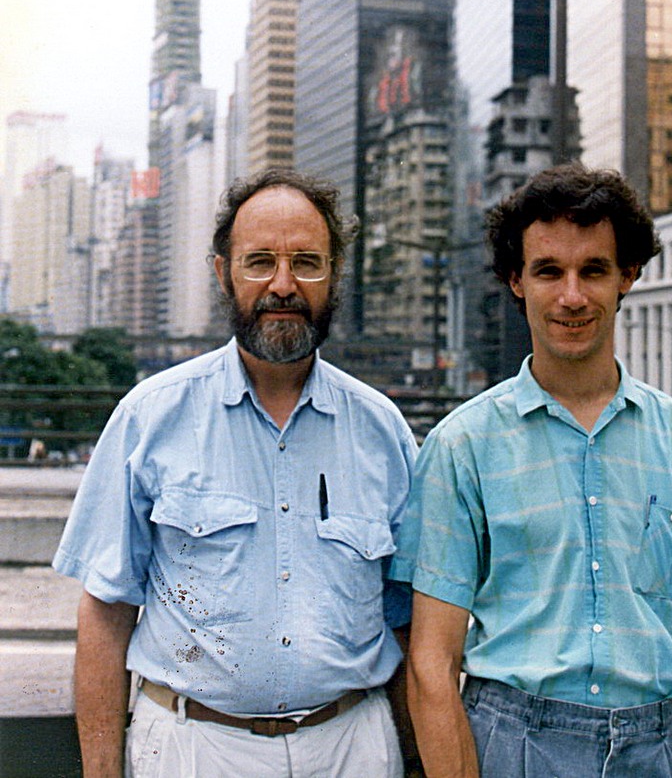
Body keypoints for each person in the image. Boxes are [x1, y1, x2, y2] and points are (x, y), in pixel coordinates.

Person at [53, 169, 419, 778]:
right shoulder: (150, 417)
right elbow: (104, 613)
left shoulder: (383, 431)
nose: (283, 285)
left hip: (353, 746)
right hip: (192, 748)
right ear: (223, 272)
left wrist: (415, 758)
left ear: (334, 277)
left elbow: (409, 621)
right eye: (259, 262)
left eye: (307, 262)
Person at [391, 163, 672, 777]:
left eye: (593, 270)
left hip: (659, 746)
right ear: (516, 280)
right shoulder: (462, 447)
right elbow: (431, 662)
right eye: (548, 271)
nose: (572, 296)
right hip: (512, 743)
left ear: (628, 277)